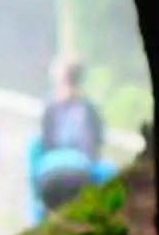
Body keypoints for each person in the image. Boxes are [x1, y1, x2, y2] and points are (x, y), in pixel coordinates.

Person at [28, 56, 112, 219]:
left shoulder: (59, 107)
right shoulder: (85, 108)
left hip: (63, 167)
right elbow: (97, 143)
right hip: (76, 166)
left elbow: (45, 143)